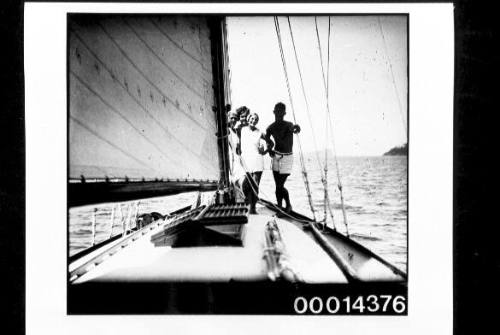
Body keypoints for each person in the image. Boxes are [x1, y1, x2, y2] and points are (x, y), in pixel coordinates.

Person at [264, 102, 301, 214]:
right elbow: (267, 139)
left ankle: (288, 204)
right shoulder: (270, 127)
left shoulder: (289, 125)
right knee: (277, 186)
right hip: (276, 157)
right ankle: (280, 207)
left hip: (287, 158)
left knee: (280, 185)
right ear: (274, 112)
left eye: (281, 111)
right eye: (277, 111)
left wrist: (296, 128)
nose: (279, 113)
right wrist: (269, 149)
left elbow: (296, 128)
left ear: (284, 113)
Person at [240, 112, 267, 214]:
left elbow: (271, 142)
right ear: (248, 119)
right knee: (246, 185)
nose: (253, 121)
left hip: (257, 161)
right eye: (252, 118)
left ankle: (253, 208)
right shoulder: (242, 130)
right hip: (246, 161)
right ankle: (248, 203)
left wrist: (264, 151)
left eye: (255, 119)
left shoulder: (259, 132)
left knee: (255, 185)